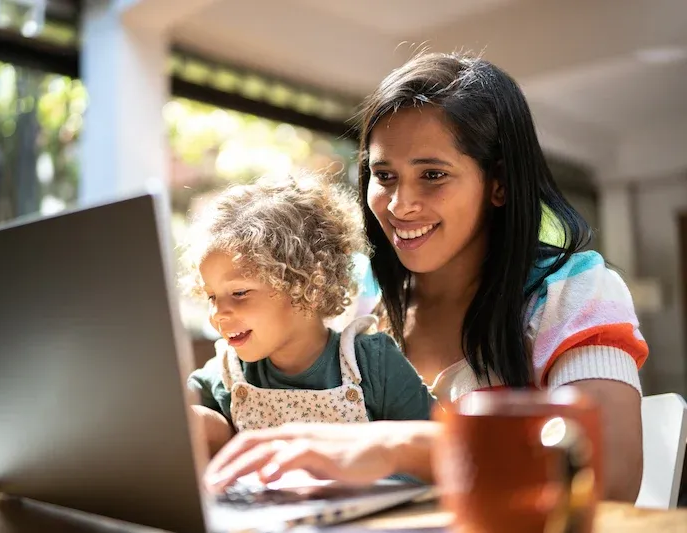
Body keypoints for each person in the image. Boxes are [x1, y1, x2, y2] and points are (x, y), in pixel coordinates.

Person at [204, 52, 648, 502]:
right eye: (384, 176)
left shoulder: (572, 292)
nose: (400, 205)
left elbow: (606, 478)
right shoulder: (346, 301)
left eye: (432, 175)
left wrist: (402, 448)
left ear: (499, 183)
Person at [182, 172, 433, 458]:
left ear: (306, 283)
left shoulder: (373, 364)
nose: (218, 314)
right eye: (212, 297)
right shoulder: (225, 375)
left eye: (239, 293)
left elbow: (441, 451)